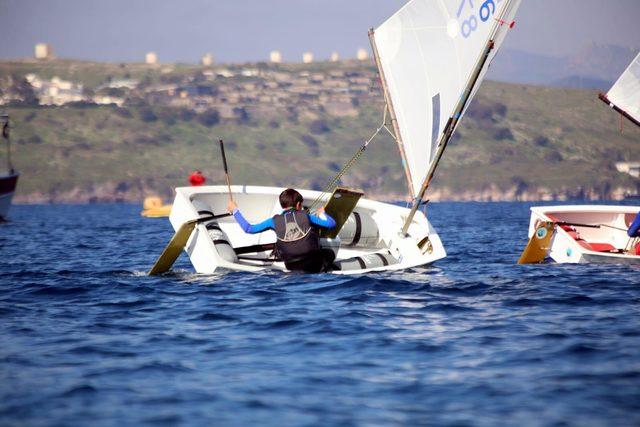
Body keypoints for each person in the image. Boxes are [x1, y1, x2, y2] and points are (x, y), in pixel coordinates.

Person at [227, 188, 337, 273]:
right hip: (313, 263)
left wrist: (235, 211)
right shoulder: (306, 216)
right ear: (299, 204)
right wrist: (322, 213)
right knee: (330, 253)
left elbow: (248, 229)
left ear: (282, 205)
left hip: (290, 265)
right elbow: (331, 224)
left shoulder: (273, 221)